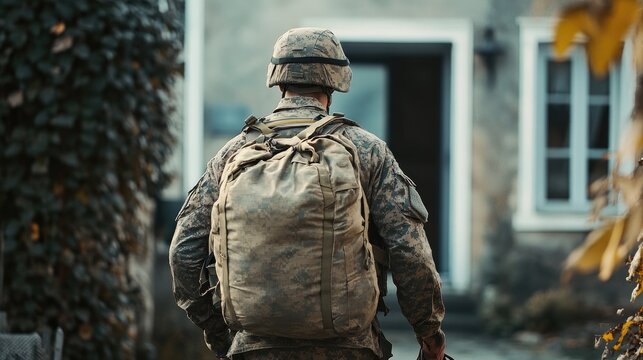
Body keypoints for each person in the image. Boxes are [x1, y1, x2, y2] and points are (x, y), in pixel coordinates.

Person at [169, 27, 447, 360]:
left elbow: (183, 254)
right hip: (349, 349)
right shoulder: (367, 151)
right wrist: (429, 333)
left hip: (254, 349)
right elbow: (409, 252)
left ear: (278, 79)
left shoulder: (233, 153)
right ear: (335, 82)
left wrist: (220, 335)